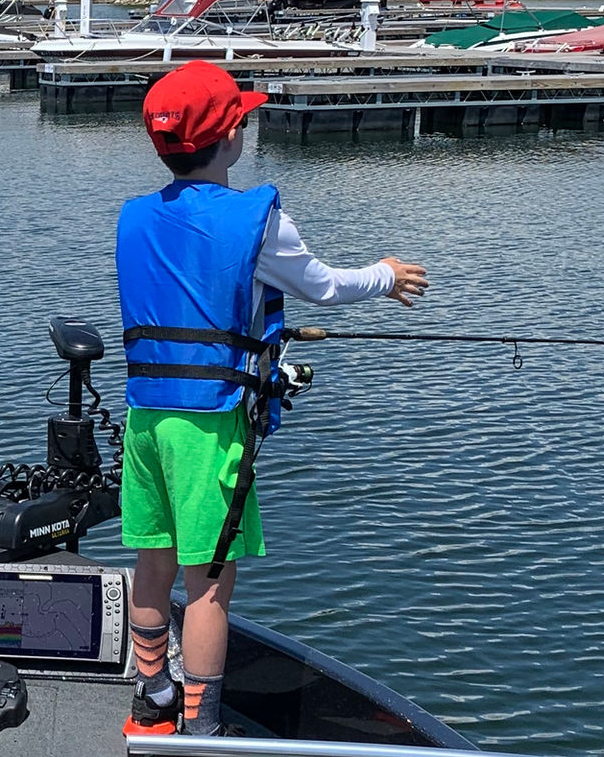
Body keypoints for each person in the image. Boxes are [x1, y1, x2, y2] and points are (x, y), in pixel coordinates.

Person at [114, 61, 427, 737]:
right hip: (208, 429)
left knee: (153, 560)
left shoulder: (134, 218)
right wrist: (387, 275)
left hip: (145, 417)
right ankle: (202, 727)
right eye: (242, 119)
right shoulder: (257, 219)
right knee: (209, 584)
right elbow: (323, 286)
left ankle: (152, 695)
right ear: (231, 137)